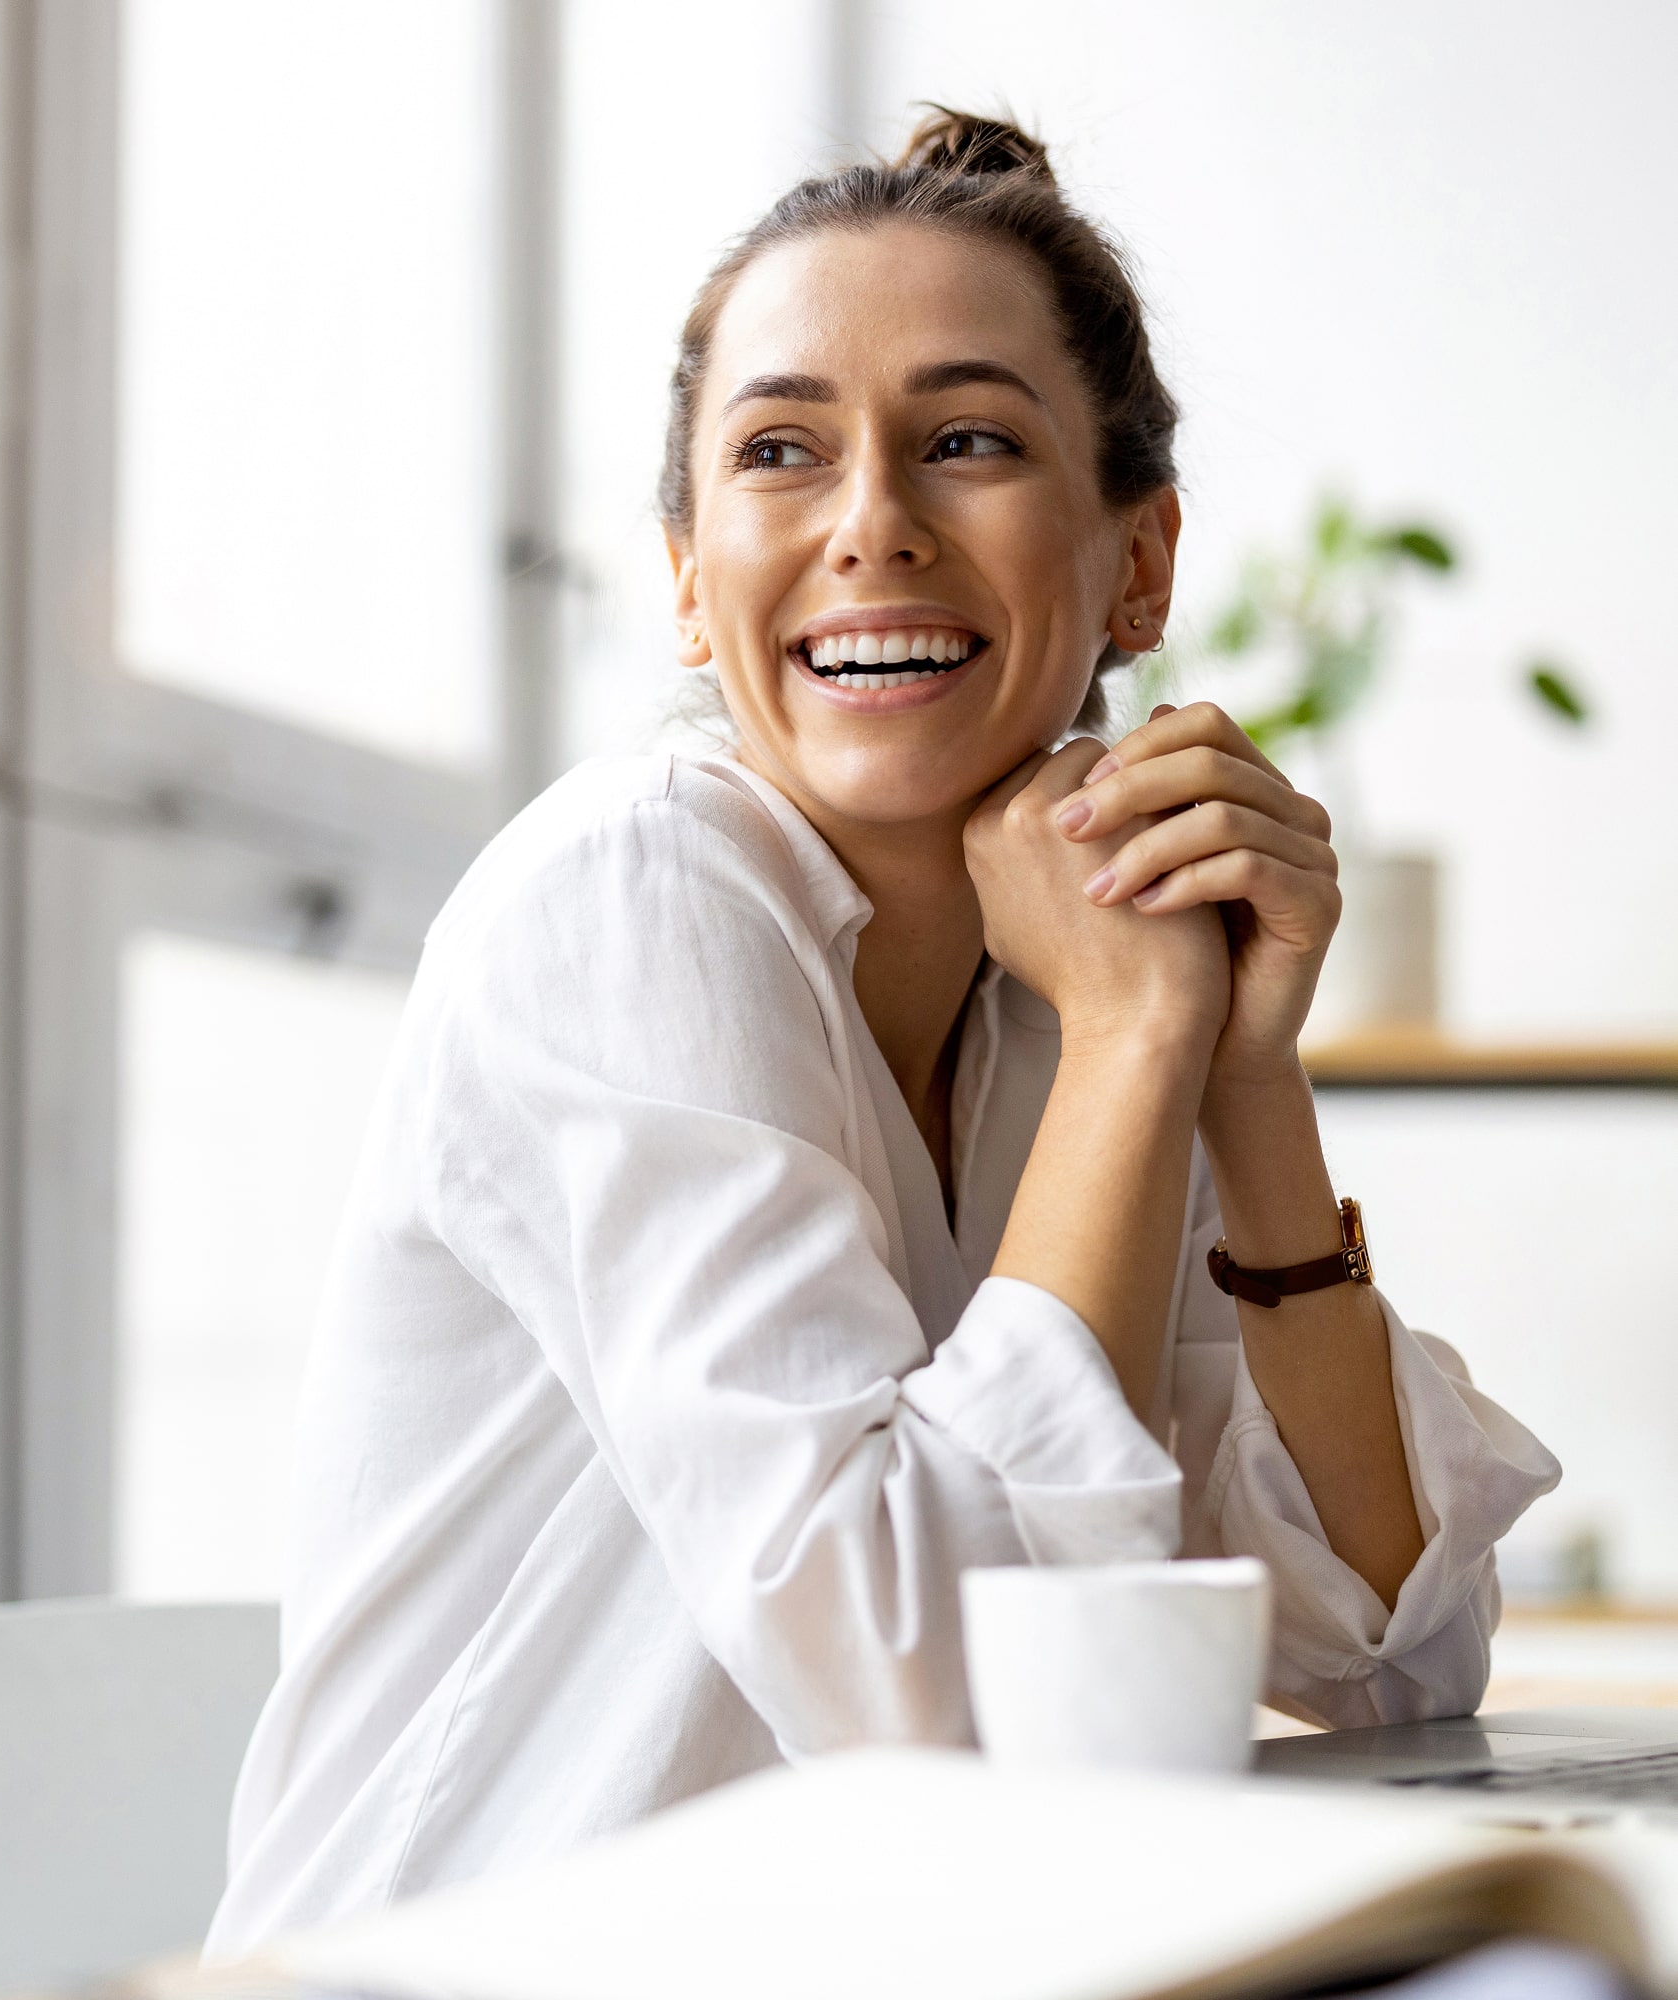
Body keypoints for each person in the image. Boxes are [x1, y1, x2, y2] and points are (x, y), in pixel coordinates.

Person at [205, 109, 1557, 1956]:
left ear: (1139, 563)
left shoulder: (1068, 989)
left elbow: (1396, 1655)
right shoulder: (633, 898)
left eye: (971, 442)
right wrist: (1137, 1052)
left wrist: (1240, 1071)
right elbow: (928, 1692)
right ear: (689, 574)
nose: (870, 525)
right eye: (779, 452)